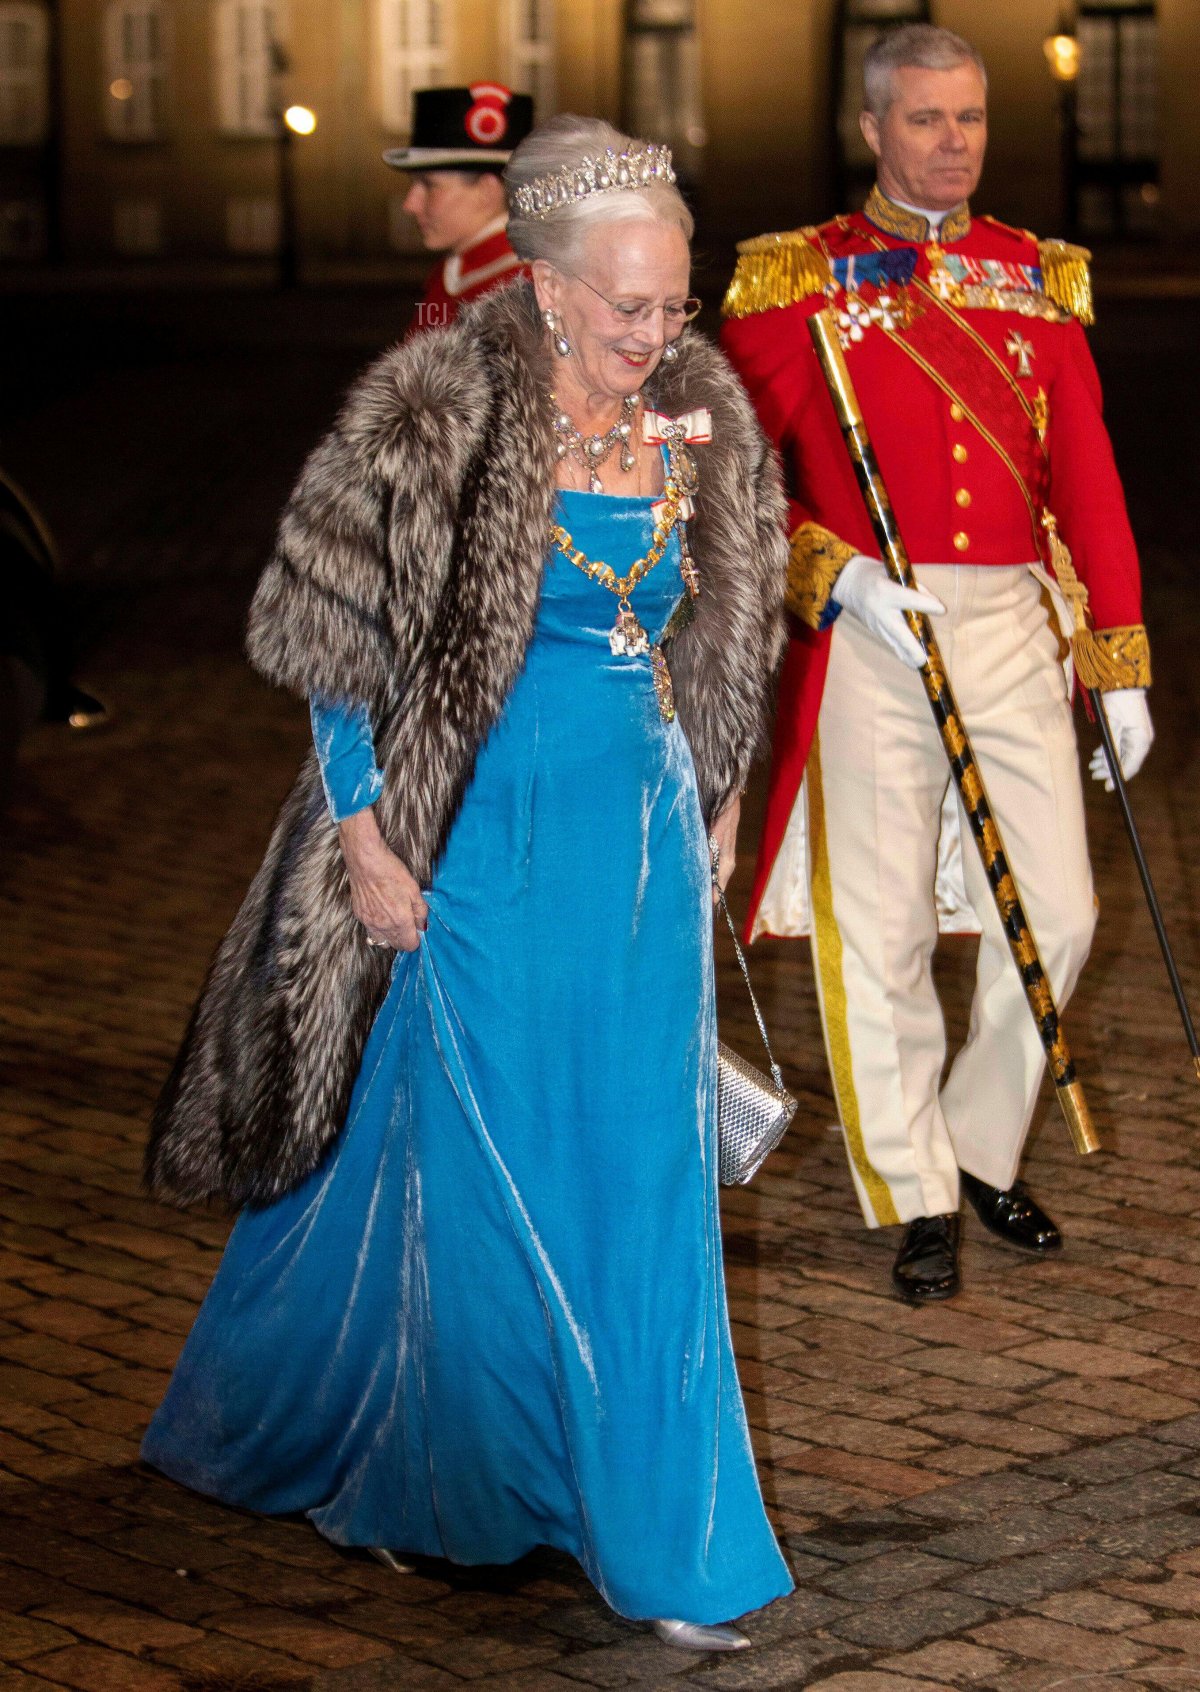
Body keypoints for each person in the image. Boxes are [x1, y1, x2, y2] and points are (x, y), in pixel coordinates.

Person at [141, 115, 794, 1650]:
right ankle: (465, 1478)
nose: (658, 336)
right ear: (550, 286)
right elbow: (334, 644)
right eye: (628, 307)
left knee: (639, 1178)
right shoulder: (440, 406)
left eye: (675, 303)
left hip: (632, 843)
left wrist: (721, 792)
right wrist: (368, 837)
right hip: (478, 832)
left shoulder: (702, 410)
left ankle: (660, 1527)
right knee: (484, 1148)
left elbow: (730, 630)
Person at [720, 24, 1153, 1304]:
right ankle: (912, 1189)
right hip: (868, 628)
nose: (951, 143)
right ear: (872, 129)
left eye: (968, 119)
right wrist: (833, 575)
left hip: (1012, 619)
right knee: (884, 921)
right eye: (924, 120)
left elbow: (1084, 471)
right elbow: (734, 484)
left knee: (1061, 912)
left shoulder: (1038, 275)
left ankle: (976, 1144)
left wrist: (1118, 660)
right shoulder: (794, 280)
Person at [384, 84, 533, 331]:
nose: (410, 204)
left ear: (486, 192)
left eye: (430, 186)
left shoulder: (524, 288)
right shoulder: (452, 274)